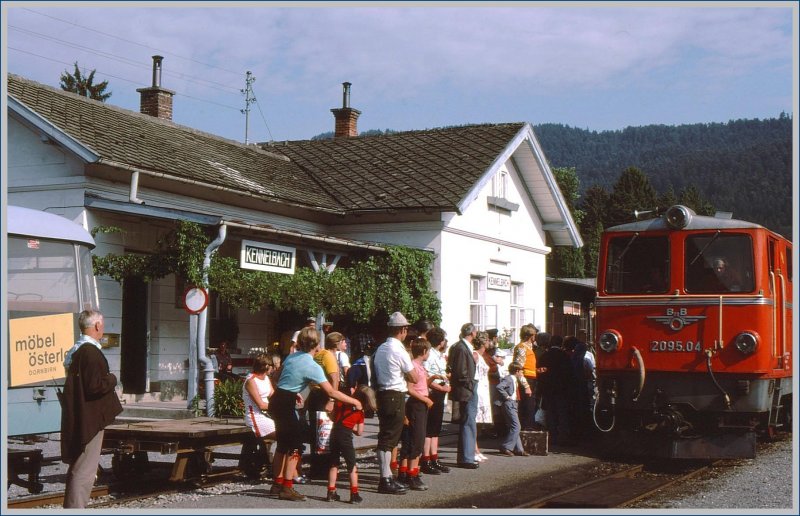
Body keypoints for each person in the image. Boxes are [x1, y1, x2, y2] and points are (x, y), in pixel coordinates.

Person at [269, 327, 361, 502]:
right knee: (295, 446)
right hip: (287, 404)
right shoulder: (313, 366)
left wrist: (291, 388)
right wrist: (354, 401)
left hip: (277, 399)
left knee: (282, 444)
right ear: (317, 345)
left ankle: (276, 484)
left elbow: (275, 376)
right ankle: (287, 487)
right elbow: (332, 392)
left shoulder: (291, 357)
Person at [61, 310, 123, 508]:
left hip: (82, 416)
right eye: (102, 325)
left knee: (80, 466)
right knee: (85, 470)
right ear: (97, 326)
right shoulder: (90, 352)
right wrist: (112, 378)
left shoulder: (78, 350)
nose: (103, 328)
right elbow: (94, 386)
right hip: (91, 419)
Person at [372, 311, 418, 494]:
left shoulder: (381, 348)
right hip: (395, 394)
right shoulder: (398, 350)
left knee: (386, 436)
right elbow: (413, 376)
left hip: (383, 393)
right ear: (403, 330)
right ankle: (385, 479)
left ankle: (387, 476)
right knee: (388, 439)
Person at [326, 385, 377, 504]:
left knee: (334, 464)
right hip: (346, 437)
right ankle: (354, 494)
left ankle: (331, 492)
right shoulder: (360, 413)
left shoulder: (341, 404)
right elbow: (359, 432)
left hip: (334, 434)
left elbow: (333, 417)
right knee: (351, 465)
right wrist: (350, 426)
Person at [306, 331, 344, 478]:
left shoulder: (319, 354)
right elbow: (335, 379)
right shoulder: (329, 356)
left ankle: (316, 467)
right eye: (342, 341)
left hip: (315, 395)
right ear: (337, 343)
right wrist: (332, 400)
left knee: (317, 432)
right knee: (325, 432)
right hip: (325, 395)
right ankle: (323, 469)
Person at [403, 338, 434, 490]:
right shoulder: (413, 366)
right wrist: (425, 400)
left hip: (422, 403)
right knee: (416, 439)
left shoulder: (420, 366)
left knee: (418, 438)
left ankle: (411, 472)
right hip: (417, 404)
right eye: (428, 351)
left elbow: (422, 384)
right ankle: (411, 475)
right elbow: (410, 388)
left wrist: (434, 378)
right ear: (423, 352)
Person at [447, 323, 479, 469]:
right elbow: (461, 371)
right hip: (467, 389)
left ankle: (467, 456)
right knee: (468, 423)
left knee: (468, 422)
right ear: (472, 333)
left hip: (468, 387)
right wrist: (470, 385)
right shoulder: (461, 347)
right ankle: (467, 458)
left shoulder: (461, 346)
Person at [421, 327, 451, 475]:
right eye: (444, 339)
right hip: (433, 393)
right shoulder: (430, 355)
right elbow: (426, 378)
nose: (445, 342)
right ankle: (425, 460)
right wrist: (441, 389)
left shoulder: (439, 355)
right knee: (430, 429)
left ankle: (434, 458)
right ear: (440, 341)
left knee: (436, 428)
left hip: (440, 393)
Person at [241, 354, 276, 479]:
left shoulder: (266, 378)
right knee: (285, 435)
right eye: (271, 366)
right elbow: (261, 405)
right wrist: (279, 406)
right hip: (255, 417)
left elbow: (273, 394)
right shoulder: (251, 381)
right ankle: (277, 470)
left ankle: (279, 470)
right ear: (266, 366)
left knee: (289, 434)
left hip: (265, 416)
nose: (273, 368)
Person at [537, 334, 573, 445]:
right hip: (561, 389)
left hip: (548, 389)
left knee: (550, 412)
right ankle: (563, 436)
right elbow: (569, 374)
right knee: (562, 413)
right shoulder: (565, 356)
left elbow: (539, 372)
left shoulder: (544, 356)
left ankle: (552, 436)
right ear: (561, 344)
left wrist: (541, 388)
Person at [495, 364, 530, 457]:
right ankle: (506, 446)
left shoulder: (514, 379)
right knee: (516, 426)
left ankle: (519, 449)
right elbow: (499, 387)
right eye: (521, 371)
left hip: (514, 403)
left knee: (514, 427)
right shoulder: (509, 379)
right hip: (509, 403)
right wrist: (507, 396)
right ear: (517, 371)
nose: (522, 373)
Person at [512, 324, 538, 430]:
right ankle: (526, 430)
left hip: (530, 379)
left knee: (530, 407)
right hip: (526, 381)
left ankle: (528, 429)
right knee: (527, 407)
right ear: (530, 336)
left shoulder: (528, 348)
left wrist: (537, 370)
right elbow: (518, 369)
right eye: (534, 335)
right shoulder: (522, 348)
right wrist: (526, 386)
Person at [472, 331, 493, 462]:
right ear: (484, 342)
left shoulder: (482, 355)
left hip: (484, 389)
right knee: (474, 421)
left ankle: (476, 448)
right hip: (478, 389)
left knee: (478, 423)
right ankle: (474, 449)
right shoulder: (475, 355)